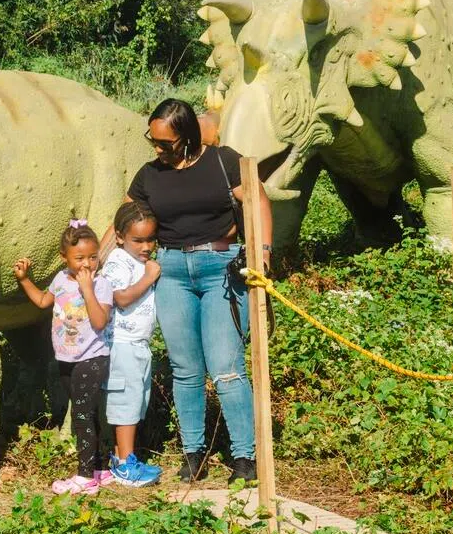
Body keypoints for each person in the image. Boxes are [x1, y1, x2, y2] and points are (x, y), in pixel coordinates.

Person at [122, 99, 272, 485]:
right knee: (185, 369)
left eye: (165, 143)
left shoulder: (222, 161)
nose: (158, 150)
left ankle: (244, 457)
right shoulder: (149, 174)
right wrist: (89, 262)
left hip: (220, 268)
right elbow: (125, 218)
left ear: (187, 137)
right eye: (153, 141)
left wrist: (264, 255)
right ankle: (193, 453)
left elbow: (258, 200)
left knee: (226, 367)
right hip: (171, 272)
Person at [14, 220, 114, 495]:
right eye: (79, 258)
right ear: (64, 258)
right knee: (87, 411)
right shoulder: (60, 279)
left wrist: (88, 290)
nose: (87, 264)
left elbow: (100, 320)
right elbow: (43, 302)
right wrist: (24, 280)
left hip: (92, 357)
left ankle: (84, 476)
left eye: (93, 257)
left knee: (82, 414)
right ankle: (101, 469)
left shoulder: (101, 284)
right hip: (66, 358)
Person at [100, 201, 163, 486]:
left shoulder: (137, 262)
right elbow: (120, 297)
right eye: (138, 240)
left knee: (136, 401)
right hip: (122, 344)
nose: (146, 246)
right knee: (125, 405)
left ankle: (121, 458)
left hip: (137, 345)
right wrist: (149, 278)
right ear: (120, 237)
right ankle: (125, 465)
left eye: (151, 239)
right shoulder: (117, 260)